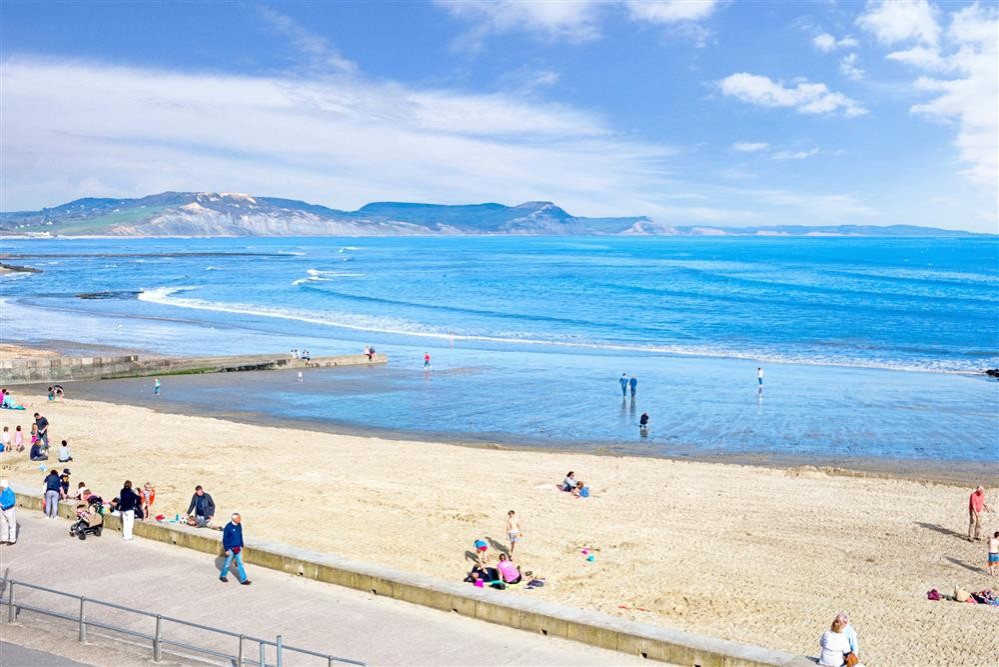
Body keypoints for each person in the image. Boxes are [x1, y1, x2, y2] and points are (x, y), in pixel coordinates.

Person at [220, 513, 251, 585]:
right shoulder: (228, 527)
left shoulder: (239, 525)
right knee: (227, 563)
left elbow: (240, 535)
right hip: (230, 549)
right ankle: (223, 576)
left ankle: (244, 580)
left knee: (240, 563)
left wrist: (242, 544)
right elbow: (224, 539)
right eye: (239, 518)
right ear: (234, 519)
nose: (240, 519)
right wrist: (226, 549)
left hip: (238, 548)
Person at [0, 480, 16, 544]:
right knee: (3, 524)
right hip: (2, 509)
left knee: (11, 524)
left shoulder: (10, 492)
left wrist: (4, 505)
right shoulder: (3, 491)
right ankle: (4, 538)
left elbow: (12, 502)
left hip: (9, 510)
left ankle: (12, 539)